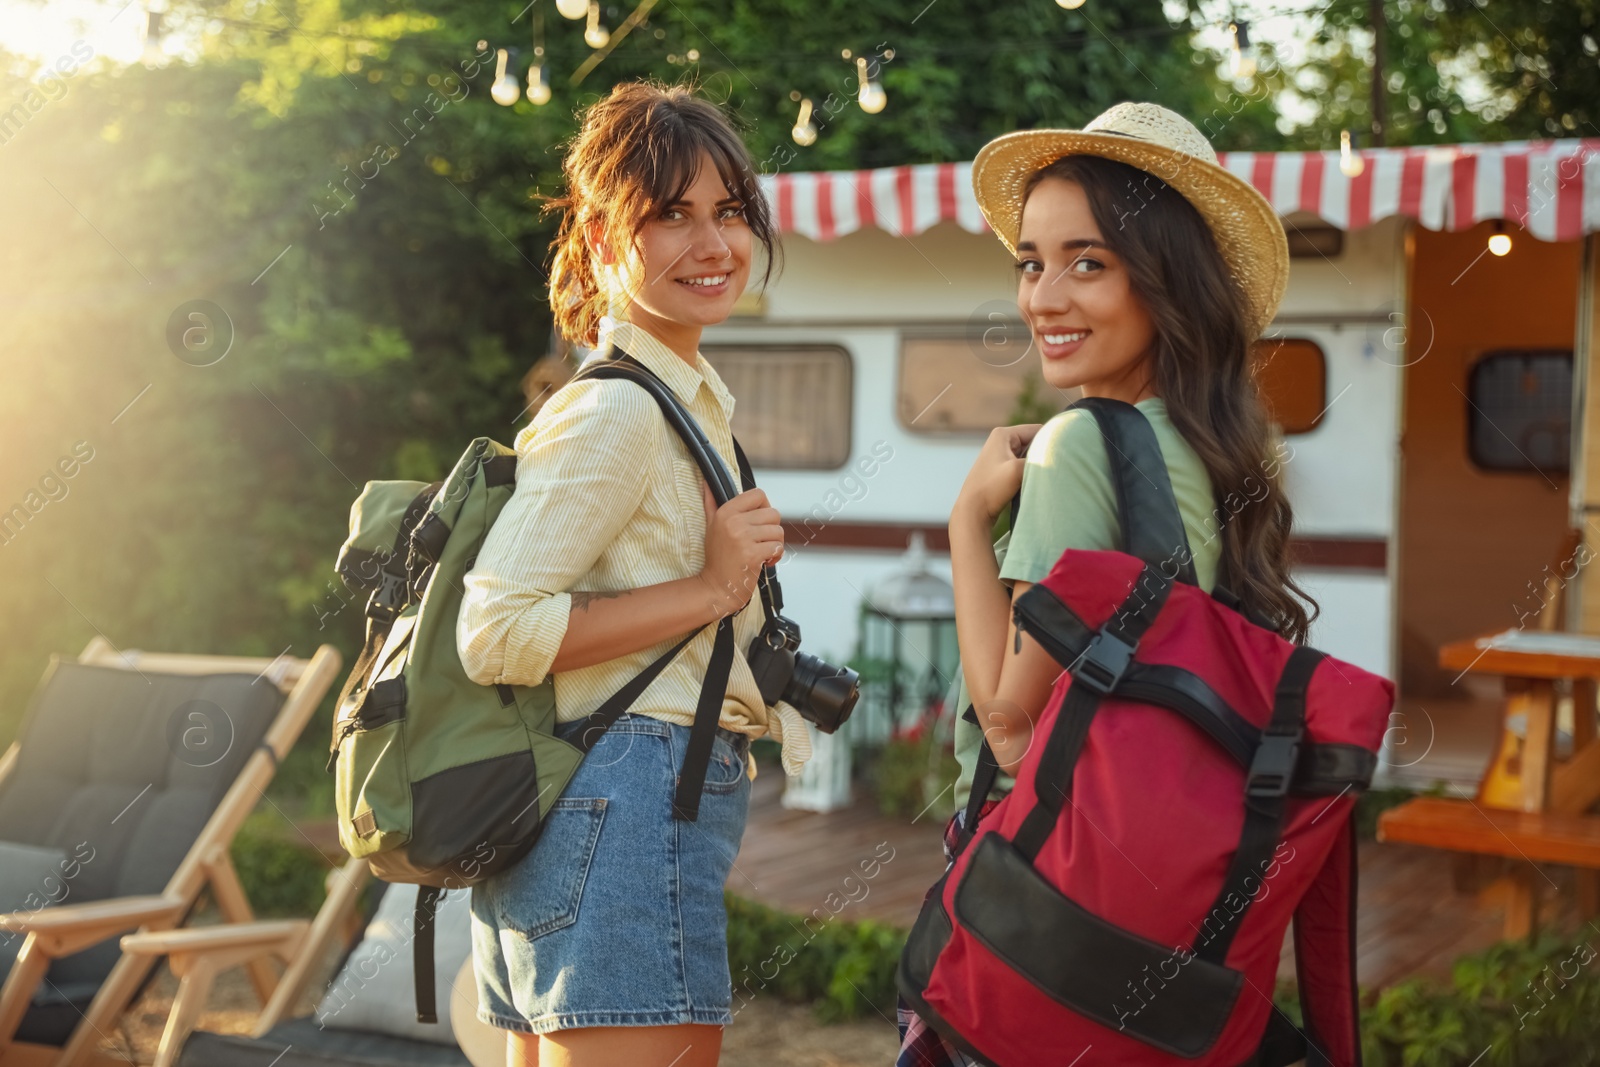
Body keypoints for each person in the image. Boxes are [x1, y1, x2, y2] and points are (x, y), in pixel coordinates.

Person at [895, 101, 1318, 1066]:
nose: (1045, 297)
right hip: (1165, 905)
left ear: (1165, 281)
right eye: (1031, 263)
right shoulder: (1219, 455)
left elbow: (1009, 722)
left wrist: (967, 523)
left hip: (1039, 889)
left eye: (1089, 262)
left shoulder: (1080, 446)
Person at [456, 81, 812, 1067]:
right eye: (670, 215)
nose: (714, 244)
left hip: (612, 799)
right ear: (606, 240)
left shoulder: (676, 397)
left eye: (729, 212)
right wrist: (707, 589)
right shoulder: (618, 410)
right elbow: (496, 628)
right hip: (620, 799)